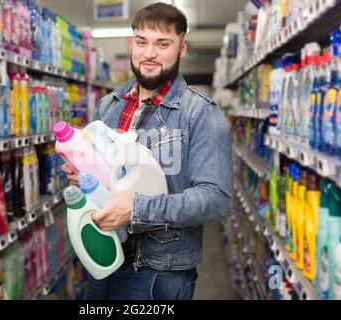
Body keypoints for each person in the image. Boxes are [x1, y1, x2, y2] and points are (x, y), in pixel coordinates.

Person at [62, 2, 233, 300]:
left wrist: (136, 210)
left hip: (159, 272)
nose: (149, 53)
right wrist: (85, 175)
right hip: (104, 256)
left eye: (163, 43)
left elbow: (216, 198)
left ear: (182, 48)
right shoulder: (109, 105)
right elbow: (109, 178)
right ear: (132, 43)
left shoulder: (200, 113)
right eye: (141, 42)